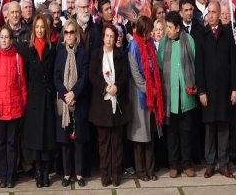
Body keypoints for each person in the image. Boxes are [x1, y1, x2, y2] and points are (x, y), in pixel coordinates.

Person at [194, 1, 236, 178]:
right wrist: (202, 91)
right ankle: (210, 163)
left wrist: (235, 88)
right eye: (209, 12)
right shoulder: (201, 34)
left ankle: (224, 163)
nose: (211, 15)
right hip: (209, 92)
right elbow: (199, 65)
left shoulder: (228, 34)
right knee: (210, 129)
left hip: (225, 90)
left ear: (220, 14)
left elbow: (234, 64)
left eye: (214, 12)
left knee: (224, 128)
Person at [0, 25, 27, 189]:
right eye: (1, 37)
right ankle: (3, 176)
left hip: (15, 110)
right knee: (1, 144)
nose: (3, 40)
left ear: (11, 39)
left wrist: (23, 107)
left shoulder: (17, 58)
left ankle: (11, 176)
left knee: (12, 144)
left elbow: (22, 85)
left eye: (6, 37)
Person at [88, 23, 131, 187]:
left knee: (117, 143)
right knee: (103, 143)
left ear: (115, 39)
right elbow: (93, 75)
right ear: (103, 37)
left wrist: (117, 87)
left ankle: (116, 174)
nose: (109, 39)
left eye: (112, 36)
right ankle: (105, 174)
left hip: (117, 103)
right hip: (102, 105)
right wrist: (105, 87)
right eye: (107, 36)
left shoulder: (120, 54)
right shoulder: (96, 54)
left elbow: (124, 75)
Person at [17, 14, 56, 188]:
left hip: (47, 98)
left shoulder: (52, 49)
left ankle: (46, 172)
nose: (40, 30)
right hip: (33, 99)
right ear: (34, 29)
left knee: (46, 137)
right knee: (35, 137)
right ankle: (38, 172)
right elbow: (24, 75)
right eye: (37, 27)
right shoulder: (28, 51)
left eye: (42, 27)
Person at [157, 11, 196, 178]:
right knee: (172, 132)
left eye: (171, 28)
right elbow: (160, 64)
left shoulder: (189, 40)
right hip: (169, 95)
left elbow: (194, 61)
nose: (167, 30)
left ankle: (186, 164)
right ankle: (173, 164)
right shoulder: (164, 43)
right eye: (167, 27)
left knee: (186, 131)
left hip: (186, 95)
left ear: (179, 28)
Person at [127, 16, 164, 182]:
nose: (151, 34)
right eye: (149, 30)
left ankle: (151, 170)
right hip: (139, 96)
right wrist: (149, 90)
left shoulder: (149, 44)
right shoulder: (133, 46)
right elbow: (135, 74)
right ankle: (140, 170)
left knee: (150, 134)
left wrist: (156, 88)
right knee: (140, 136)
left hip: (152, 94)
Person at [54, 19, 89, 188]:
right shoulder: (60, 53)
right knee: (65, 141)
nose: (69, 35)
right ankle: (67, 174)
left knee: (79, 140)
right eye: (66, 32)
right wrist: (65, 94)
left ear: (76, 34)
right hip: (64, 103)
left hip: (78, 101)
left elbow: (84, 76)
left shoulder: (82, 53)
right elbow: (56, 77)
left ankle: (79, 173)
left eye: (72, 32)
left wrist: (74, 92)